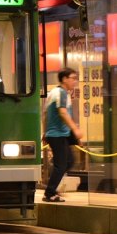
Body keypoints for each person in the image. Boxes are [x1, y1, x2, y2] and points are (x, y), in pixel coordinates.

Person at [42, 67, 83, 202]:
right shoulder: (60, 93)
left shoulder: (57, 92)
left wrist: (44, 132)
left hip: (60, 134)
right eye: (73, 78)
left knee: (69, 161)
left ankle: (52, 187)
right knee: (61, 164)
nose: (75, 82)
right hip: (57, 135)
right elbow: (63, 113)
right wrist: (75, 130)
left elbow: (46, 115)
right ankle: (49, 193)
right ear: (64, 79)